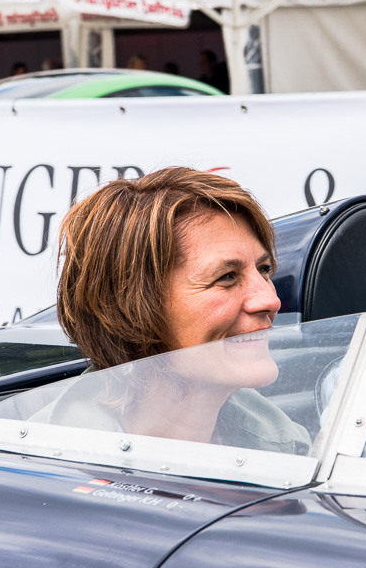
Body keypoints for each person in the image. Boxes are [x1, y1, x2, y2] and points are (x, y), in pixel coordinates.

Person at [48, 168, 308, 452]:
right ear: (128, 310)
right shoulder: (34, 462)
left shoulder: (289, 450)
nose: (270, 301)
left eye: (264, 269)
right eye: (227, 277)